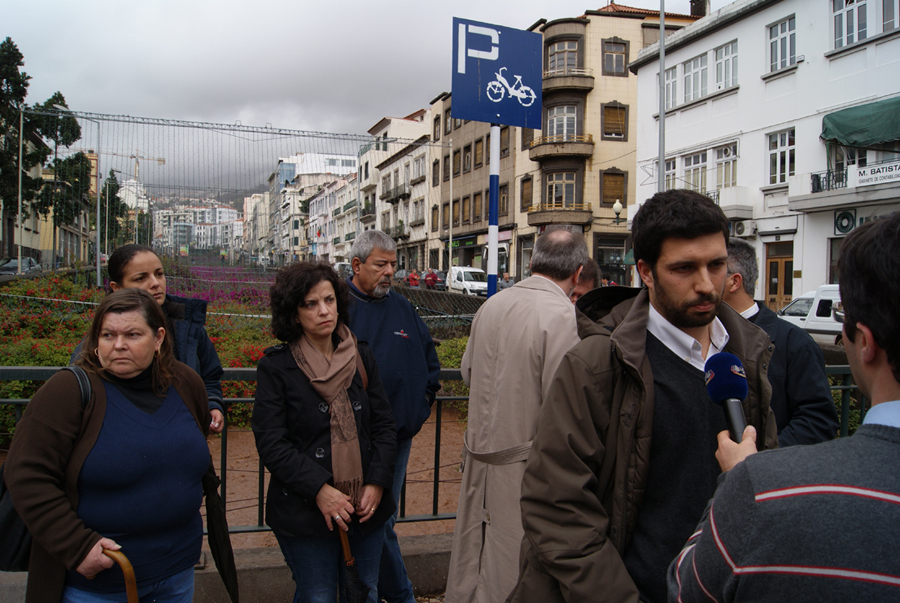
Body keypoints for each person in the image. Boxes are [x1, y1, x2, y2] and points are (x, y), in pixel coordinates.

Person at [508, 190, 778, 603]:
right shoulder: (598, 364)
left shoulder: (748, 355)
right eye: (684, 268)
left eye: (716, 265)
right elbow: (557, 506)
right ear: (646, 272)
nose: (706, 284)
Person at [669, 211, 900, 601]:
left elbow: (686, 589)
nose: (702, 284)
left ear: (864, 341)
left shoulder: (791, 342)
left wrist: (759, 474)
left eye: (715, 267)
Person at [5, 288, 212, 602]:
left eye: (132, 334)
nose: (118, 345)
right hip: (99, 584)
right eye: (107, 335)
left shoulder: (186, 383)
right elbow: (26, 474)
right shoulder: (68, 391)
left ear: (158, 338)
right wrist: (75, 545)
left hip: (178, 573)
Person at [445, 229, 588, 603]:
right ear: (578, 272)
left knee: (474, 557)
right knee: (513, 568)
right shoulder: (566, 317)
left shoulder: (492, 305)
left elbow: (468, 372)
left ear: (532, 261)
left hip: (480, 457)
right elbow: (566, 410)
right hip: (529, 470)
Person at [252, 262, 397, 603]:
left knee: (365, 592)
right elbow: (272, 442)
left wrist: (377, 482)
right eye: (310, 304)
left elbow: (384, 426)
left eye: (329, 300)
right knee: (318, 595)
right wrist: (319, 489)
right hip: (305, 510)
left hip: (363, 507)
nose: (324, 311)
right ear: (293, 313)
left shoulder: (360, 355)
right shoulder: (277, 366)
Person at [345, 230, 441, 603]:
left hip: (396, 438)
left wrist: (419, 408)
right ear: (357, 265)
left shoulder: (403, 307)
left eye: (393, 264)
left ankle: (393, 595)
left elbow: (430, 363)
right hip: (348, 441)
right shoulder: (337, 307)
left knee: (381, 517)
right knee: (366, 520)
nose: (389, 272)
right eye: (381, 264)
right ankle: (398, 595)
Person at [71, 244, 225, 434]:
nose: (155, 283)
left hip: (181, 436)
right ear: (117, 288)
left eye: (159, 274)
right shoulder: (95, 346)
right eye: (141, 278)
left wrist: (212, 403)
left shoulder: (187, 326)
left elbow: (210, 376)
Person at [724, 238, 838, 446]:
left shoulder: (795, 344)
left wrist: (763, 457)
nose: (700, 281)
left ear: (734, 282)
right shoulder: (702, 335)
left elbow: (818, 421)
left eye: (712, 268)